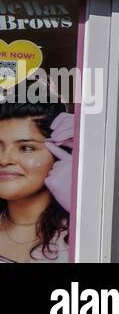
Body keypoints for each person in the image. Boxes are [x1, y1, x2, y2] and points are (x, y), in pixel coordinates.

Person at [0, 102, 72, 263]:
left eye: (26, 148)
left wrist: (86, 208)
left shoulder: (86, 233)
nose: (4, 160)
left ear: (60, 154)